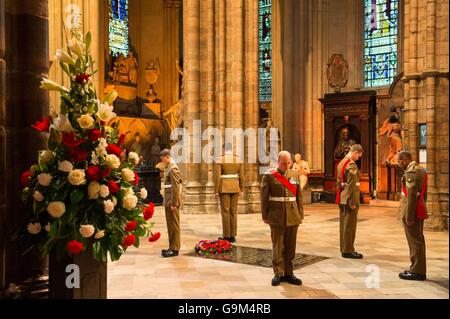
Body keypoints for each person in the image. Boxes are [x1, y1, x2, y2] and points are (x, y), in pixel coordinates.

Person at [260, 151, 304, 286]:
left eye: (288, 162)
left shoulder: (295, 175)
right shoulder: (269, 176)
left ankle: (289, 273)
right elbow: (264, 198)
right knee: (277, 246)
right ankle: (278, 274)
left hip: (293, 215)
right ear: (278, 161)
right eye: (284, 162)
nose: (286, 165)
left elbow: (299, 197)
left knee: (290, 247)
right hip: (276, 215)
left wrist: (300, 214)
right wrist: (265, 215)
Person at [397, 150, 428, 281]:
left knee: (415, 241)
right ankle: (417, 268)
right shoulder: (420, 169)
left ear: (404, 159)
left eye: (399, 161)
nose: (399, 164)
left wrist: (409, 216)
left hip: (412, 212)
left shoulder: (411, 172)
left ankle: (417, 271)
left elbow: (411, 197)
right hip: (419, 208)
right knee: (418, 240)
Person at [335, 144, 364, 259]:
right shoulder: (351, 165)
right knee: (349, 226)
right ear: (356, 152)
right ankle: (348, 250)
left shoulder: (342, 162)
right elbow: (352, 186)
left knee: (344, 225)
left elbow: (340, 183)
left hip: (343, 197)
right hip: (349, 199)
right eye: (359, 156)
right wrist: (352, 201)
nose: (358, 158)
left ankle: (344, 248)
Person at [214, 143, 244, 243]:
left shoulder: (220, 159)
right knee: (233, 211)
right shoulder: (238, 159)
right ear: (232, 149)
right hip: (235, 187)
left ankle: (226, 235)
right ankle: (233, 235)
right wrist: (241, 188)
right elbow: (241, 175)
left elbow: (217, 176)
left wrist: (216, 190)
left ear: (223, 149)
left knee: (225, 211)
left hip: (224, 188)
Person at [160, 149, 181, 258]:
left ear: (167, 157)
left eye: (163, 159)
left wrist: (174, 203)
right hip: (168, 200)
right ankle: (171, 247)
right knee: (170, 225)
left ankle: (175, 248)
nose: (162, 161)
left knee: (174, 225)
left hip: (172, 201)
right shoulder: (168, 167)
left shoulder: (173, 169)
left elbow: (175, 187)